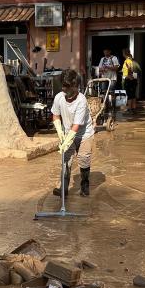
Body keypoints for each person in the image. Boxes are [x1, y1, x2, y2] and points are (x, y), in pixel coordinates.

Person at [51, 68, 96, 197]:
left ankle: (85, 184)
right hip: (67, 132)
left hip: (83, 134)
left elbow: (76, 126)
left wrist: (66, 140)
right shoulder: (59, 97)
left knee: (84, 158)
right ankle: (63, 188)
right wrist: (60, 133)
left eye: (68, 87)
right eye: (63, 86)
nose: (65, 89)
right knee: (66, 160)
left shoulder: (81, 101)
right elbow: (55, 115)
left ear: (75, 86)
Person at [121, 48, 141, 113]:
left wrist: (129, 76)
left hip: (129, 80)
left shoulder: (127, 61)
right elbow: (138, 71)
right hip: (134, 80)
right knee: (133, 94)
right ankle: (133, 108)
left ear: (124, 54)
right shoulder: (134, 61)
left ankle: (129, 109)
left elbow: (129, 69)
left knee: (129, 95)